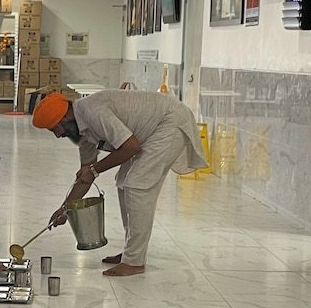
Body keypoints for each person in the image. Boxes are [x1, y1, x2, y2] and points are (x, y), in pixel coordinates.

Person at [32, 90, 208, 276]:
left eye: (55, 128)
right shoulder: (84, 132)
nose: (58, 135)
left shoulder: (94, 112)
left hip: (170, 122)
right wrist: (64, 209)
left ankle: (134, 261)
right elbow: (85, 177)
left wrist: (94, 169)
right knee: (123, 181)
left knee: (137, 185)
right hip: (150, 131)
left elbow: (130, 147)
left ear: (66, 116)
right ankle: (130, 252)